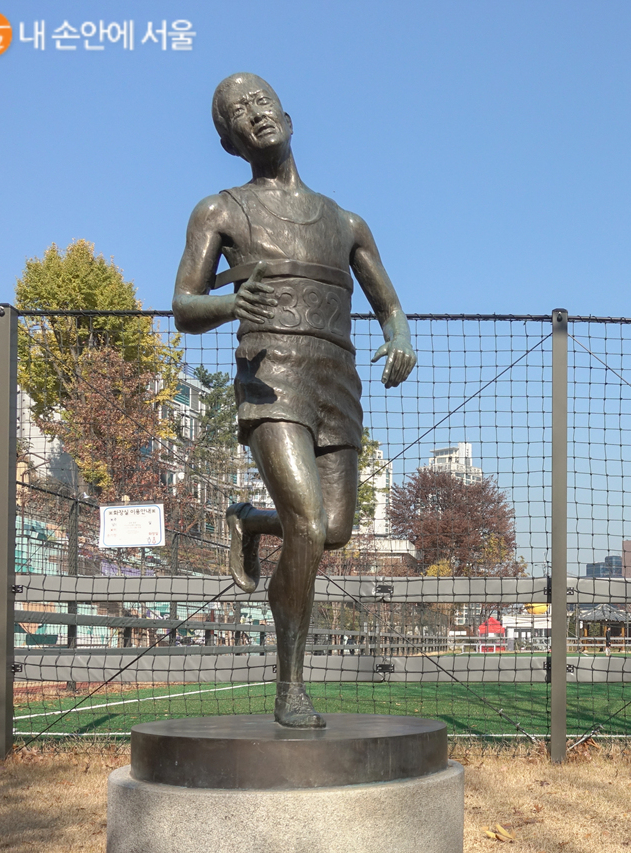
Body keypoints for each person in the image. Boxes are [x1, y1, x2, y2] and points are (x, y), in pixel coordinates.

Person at [172, 73, 417, 728]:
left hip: (337, 381)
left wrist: (399, 339)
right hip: (270, 377)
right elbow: (184, 306)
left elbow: (389, 305)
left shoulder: (346, 222)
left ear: (287, 115)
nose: (254, 113)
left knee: (333, 530)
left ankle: (251, 521)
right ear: (229, 140)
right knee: (306, 524)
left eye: (261, 101)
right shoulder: (219, 211)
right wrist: (230, 304)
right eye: (237, 111)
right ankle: (290, 686)